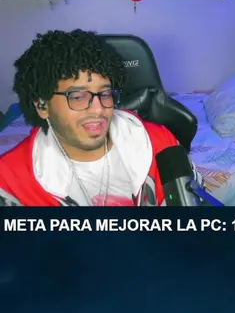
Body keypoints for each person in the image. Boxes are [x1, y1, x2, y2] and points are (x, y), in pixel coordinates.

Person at [0, 29, 199, 207]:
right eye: (77, 97)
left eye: (105, 94)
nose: (99, 109)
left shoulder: (160, 144)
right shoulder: (10, 180)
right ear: (42, 106)